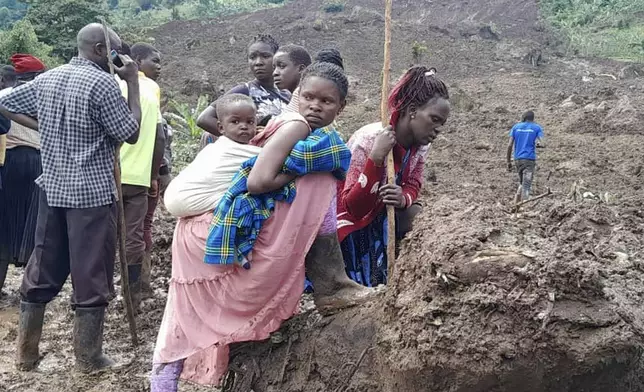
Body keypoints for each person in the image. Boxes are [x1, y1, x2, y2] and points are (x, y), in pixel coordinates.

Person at [151, 62, 372, 391]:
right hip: (207, 232)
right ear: (297, 96)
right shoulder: (295, 126)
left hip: (210, 226)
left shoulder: (315, 134)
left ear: (341, 106)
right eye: (309, 97)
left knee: (185, 317)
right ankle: (331, 283)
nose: (315, 106)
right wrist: (298, 172)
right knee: (184, 320)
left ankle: (331, 284)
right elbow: (258, 183)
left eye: (326, 101)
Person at [0, 23, 141, 373]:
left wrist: (42, 126)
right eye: (115, 52)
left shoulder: (48, 79)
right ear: (99, 50)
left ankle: (26, 355)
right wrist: (133, 83)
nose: (119, 59)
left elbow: (4, 104)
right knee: (92, 272)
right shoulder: (103, 83)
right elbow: (131, 132)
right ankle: (89, 358)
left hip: (52, 188)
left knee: (42, 267)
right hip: (90, 196)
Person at [337, 66, 451, 287]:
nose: (438, 130)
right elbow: (352, 207)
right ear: (412, 110)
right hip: (352, 221)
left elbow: (414, 182)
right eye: (434, 119)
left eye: (441, 124)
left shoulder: (420, 146)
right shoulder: (369, 140)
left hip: (381, 213)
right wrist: (376, 160)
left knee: (417, 214)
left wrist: (402, 198)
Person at [117, 42, 165, 308]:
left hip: (109, 173)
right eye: (154, 60)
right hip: (137, 176)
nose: (159, 67)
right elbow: (159, 135)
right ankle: (133, 294)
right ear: (136, 60)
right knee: (133, 235)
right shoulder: (149, 88)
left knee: (103, 234)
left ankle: (100, 292)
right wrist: (153, 175)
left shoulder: (109, 84)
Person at [0, 58, 46, 294]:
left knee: (5, 225)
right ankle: (30, 290)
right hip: (37, 163)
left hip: (8, 164)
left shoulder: (5, 95)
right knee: (34, 226)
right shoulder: (43, 95)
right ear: (36, 75)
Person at [196, 34, 290, 146]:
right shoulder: (245, 91)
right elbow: (204, 118)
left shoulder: (286, 94)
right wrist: (249, 142)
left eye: (265, 56)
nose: (258, 62)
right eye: (252, 57)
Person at [142, 118, 173, 297]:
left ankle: (133, 283)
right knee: (145, 226)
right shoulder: (158, 123)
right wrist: (158, 176)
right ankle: (141, 283)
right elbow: (162, 149)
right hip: (148, 176)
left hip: (123, 176)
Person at [506, 110, 543, 202]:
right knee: (526, 185)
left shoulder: (516, 127)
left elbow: (509, 145)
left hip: (518, 159)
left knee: (522, 183)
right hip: (529, 160)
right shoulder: (537, 128)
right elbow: (542, 142)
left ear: (524, 118)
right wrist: (538, 144)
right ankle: (524, 206)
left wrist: (508, 161)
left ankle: (516, 204)